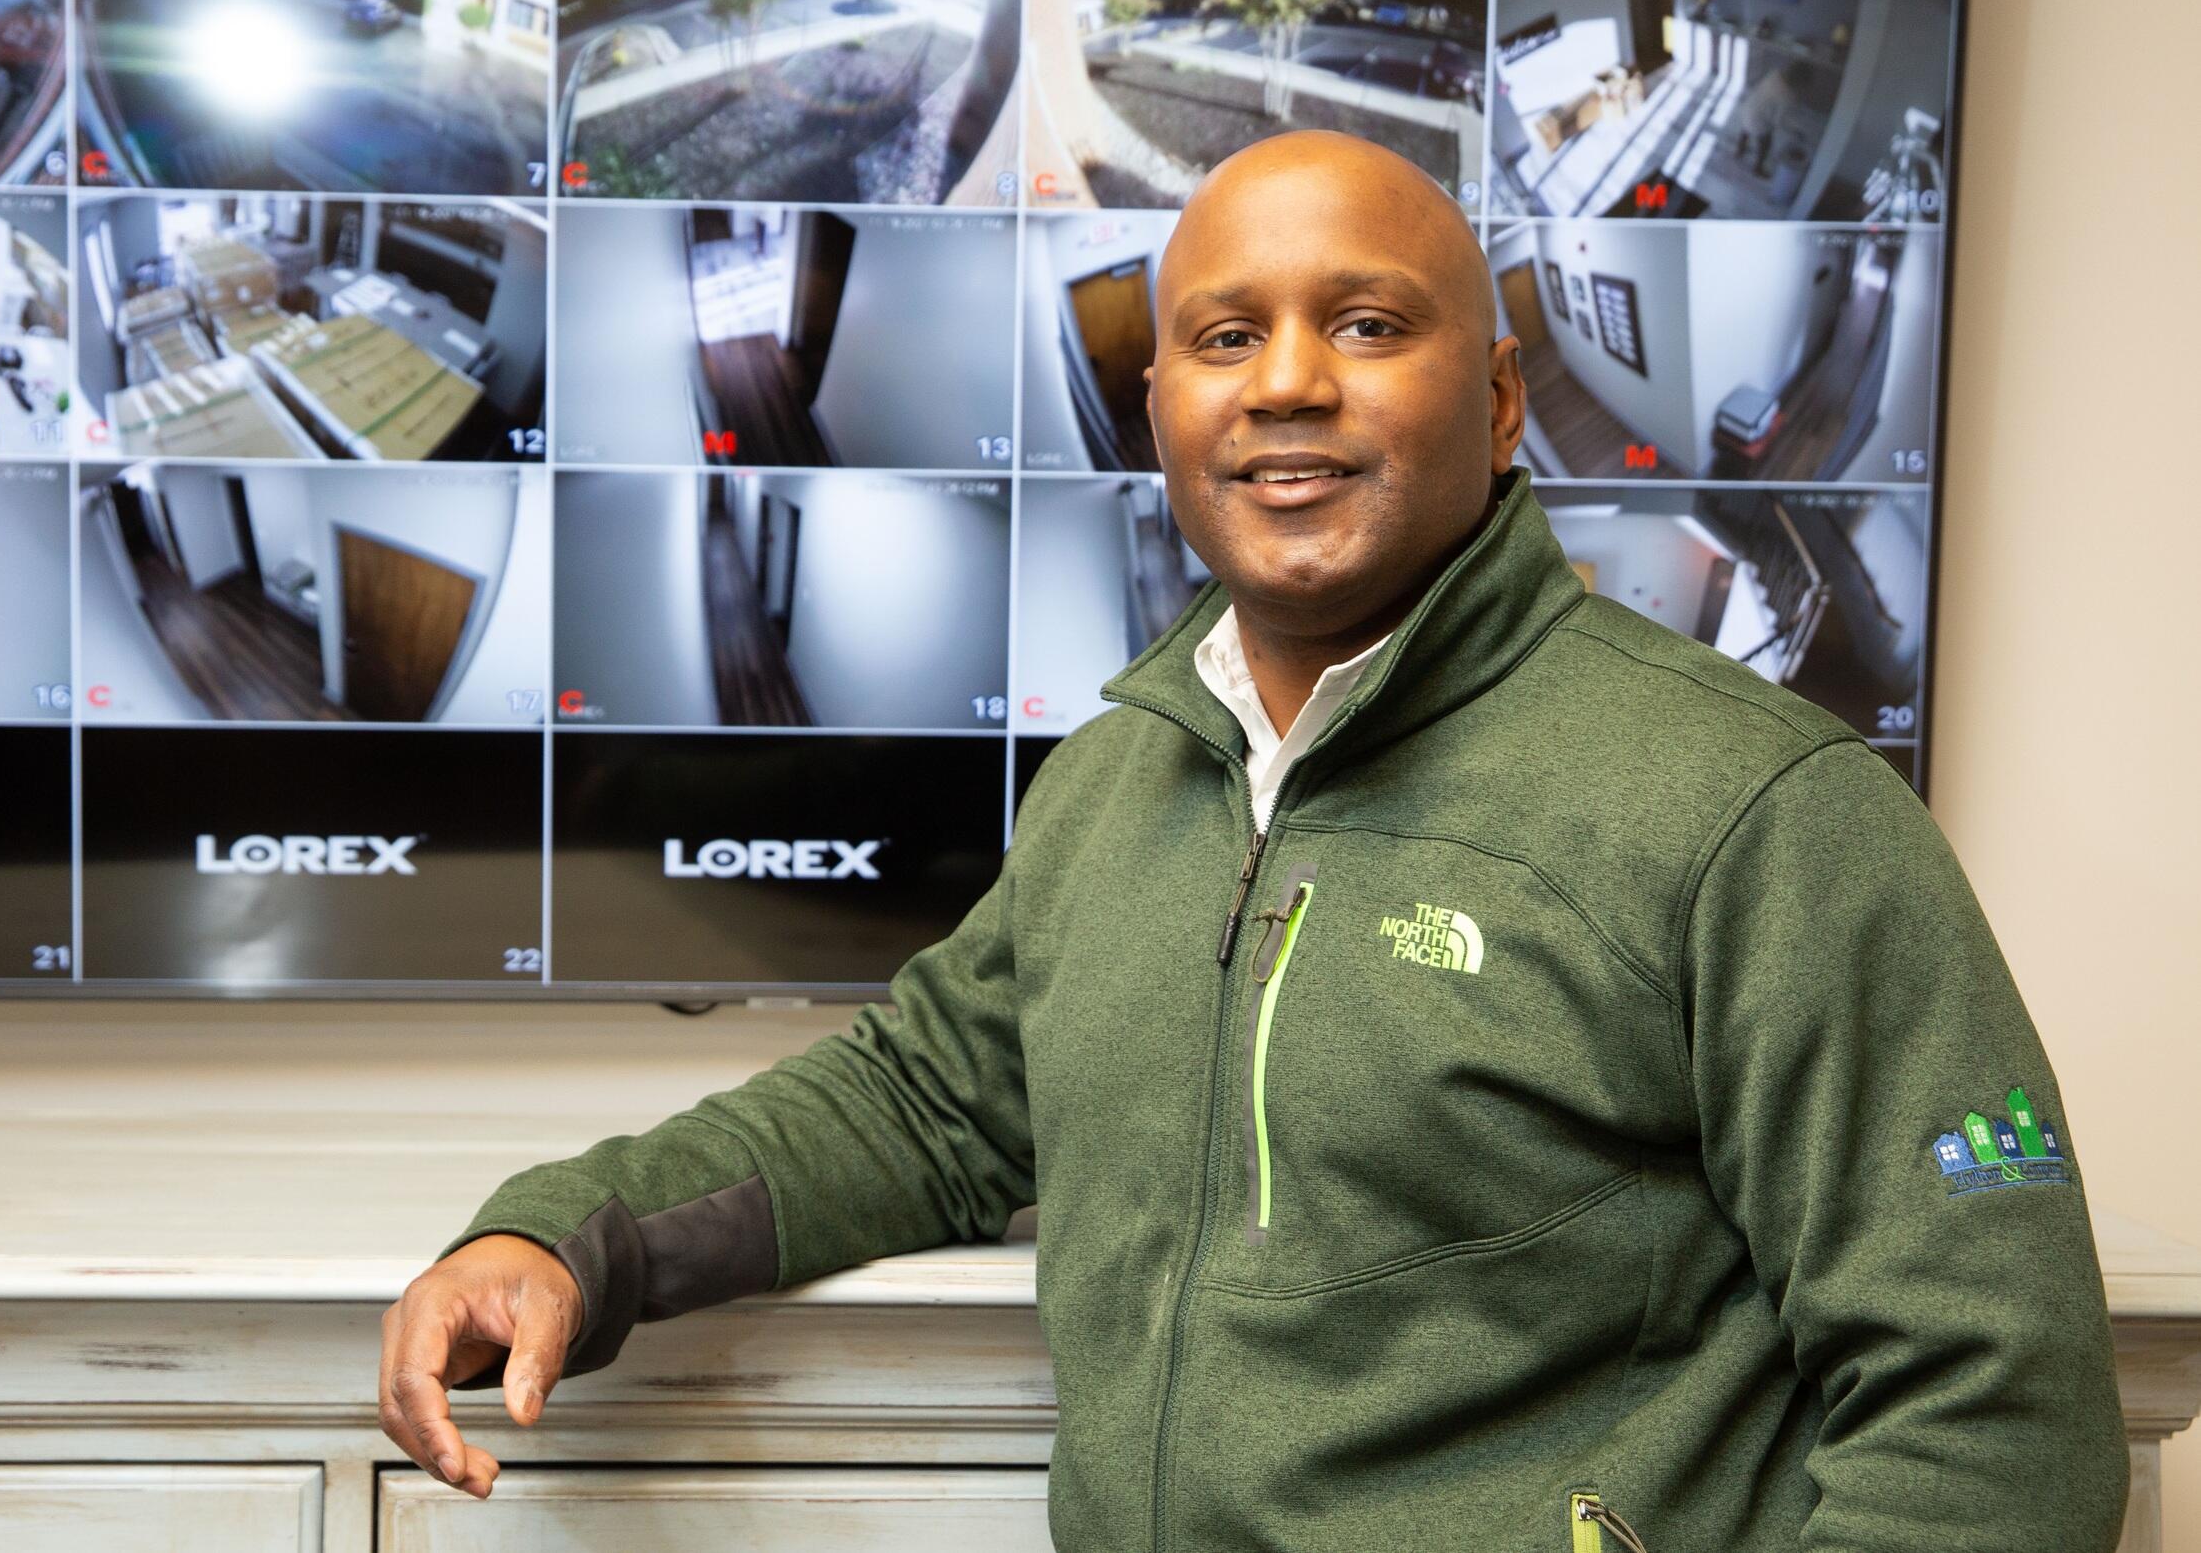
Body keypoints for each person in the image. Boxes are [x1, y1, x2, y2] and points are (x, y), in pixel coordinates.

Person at [379, 132, 2129, 1550]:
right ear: (1163, 421)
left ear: (1505, 399)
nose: (1288, 384)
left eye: (1369, 326)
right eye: (1224, 338)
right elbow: (924, 1103)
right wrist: (567, 1240)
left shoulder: (1761, 812)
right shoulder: (1126, 776)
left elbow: (1994, 1418)